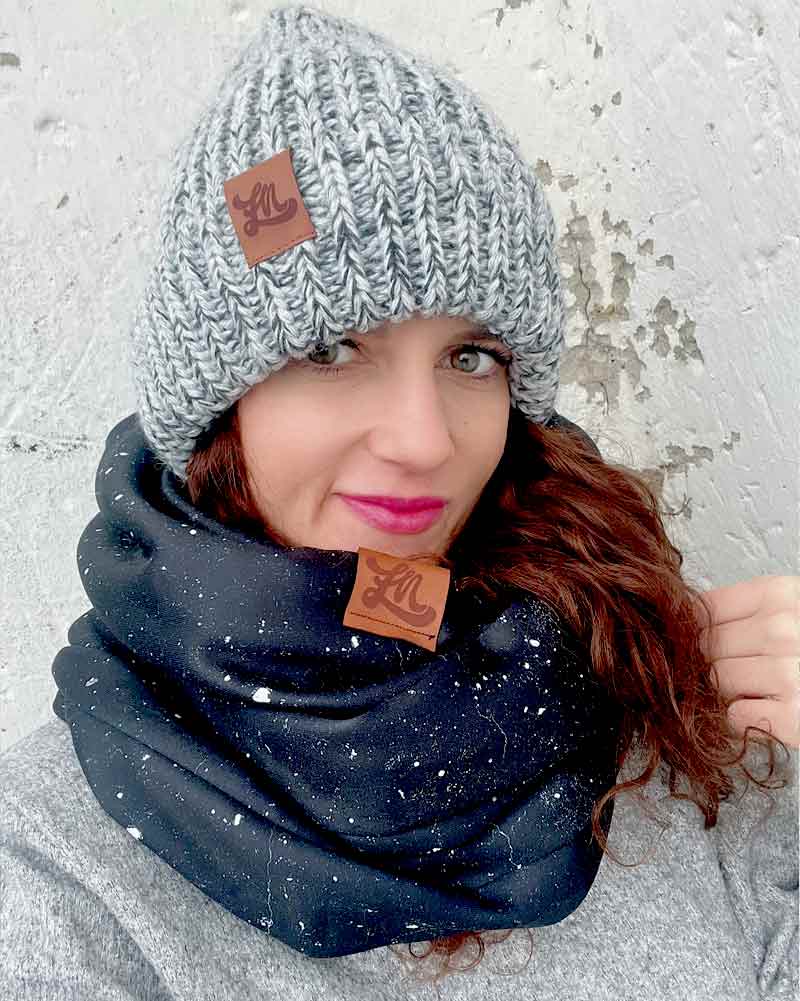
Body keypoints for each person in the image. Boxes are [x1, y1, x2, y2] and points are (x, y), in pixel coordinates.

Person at [1, 5, 797, 999]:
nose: (424, 441)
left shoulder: (648, 695)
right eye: (330, 348)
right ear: (218, 406)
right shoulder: (58, 870)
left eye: (470, 357)